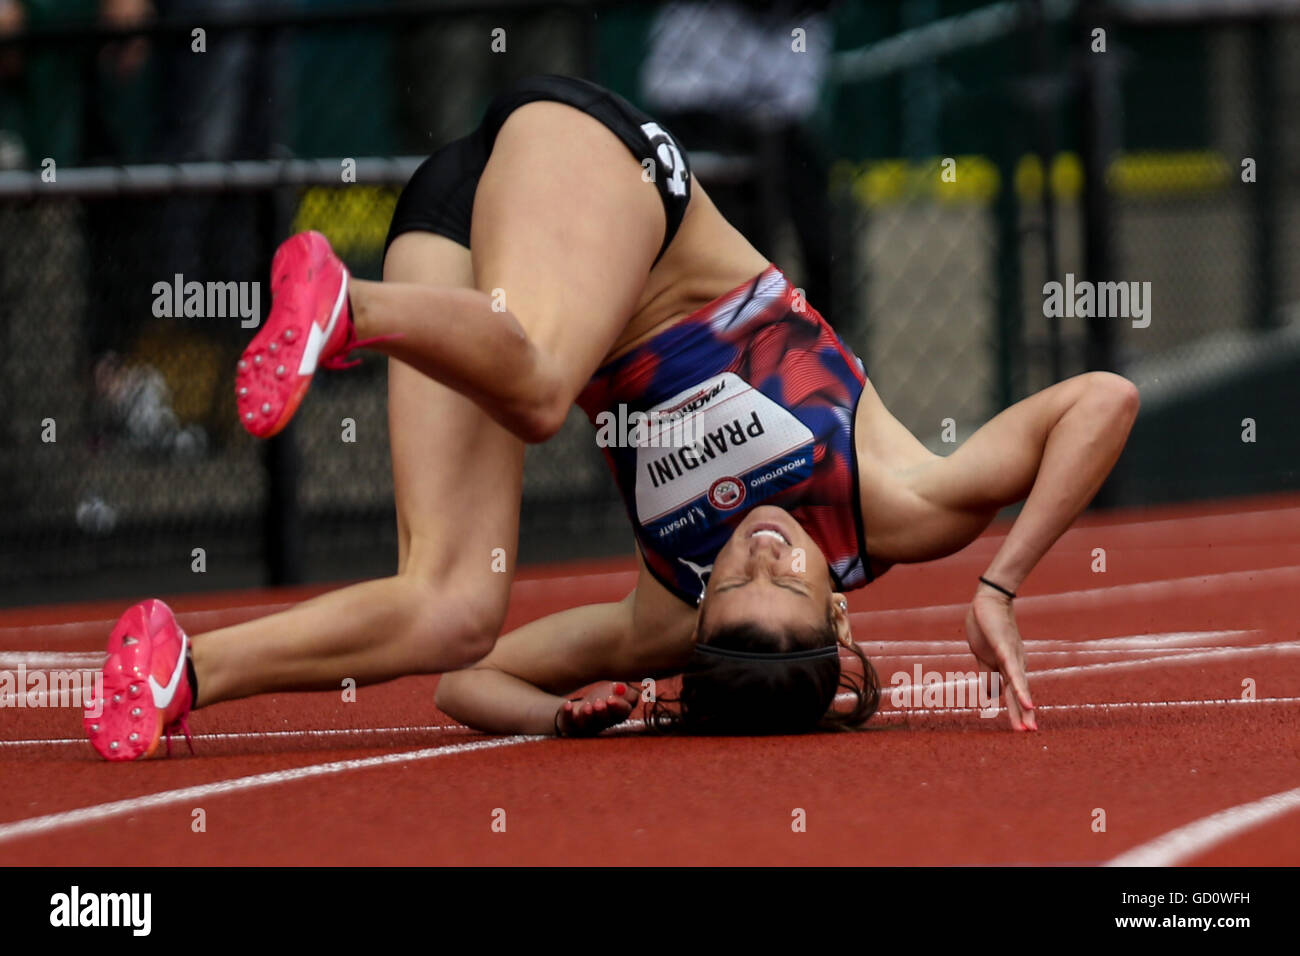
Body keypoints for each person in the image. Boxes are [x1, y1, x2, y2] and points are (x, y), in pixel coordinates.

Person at [86, 75, 1139, 759]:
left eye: (734, 583)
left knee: (451, 602)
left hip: (464, 243)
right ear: (839, 614)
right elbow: (1101, 399)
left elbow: (468, 677)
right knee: (543, 388)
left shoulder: (659, 617)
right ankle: (348, 308)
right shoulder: (893, 502)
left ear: (699, 620)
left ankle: (183, 670)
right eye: (786, 579)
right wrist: (1001, 583)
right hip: (596, 168)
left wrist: (562, 715)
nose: (759, 553)